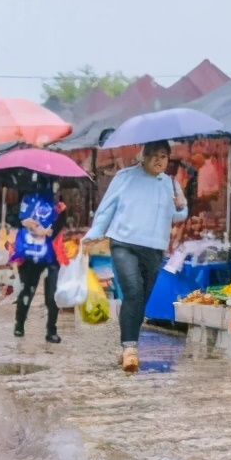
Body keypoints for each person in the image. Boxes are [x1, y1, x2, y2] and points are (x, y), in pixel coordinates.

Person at [84, 140, 187, 373]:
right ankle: (130, 348)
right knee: (133, 292)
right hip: (124, 243)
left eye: (164, 156)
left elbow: (179, 216)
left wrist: (181, 206)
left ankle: (128, 346)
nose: (159, 160)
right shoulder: (125, 176)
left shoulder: (170, 183)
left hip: (154, 248)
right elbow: (107, 207)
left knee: (141, 299)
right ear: (143, 156)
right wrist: (94, 233)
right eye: (154, 155)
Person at [11, 179, 66, 343]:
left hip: (52, 254)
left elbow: (59, 226)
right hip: (30, 252)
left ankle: (51, 330)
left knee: (52, 293)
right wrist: (27, 224)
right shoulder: (26, 196)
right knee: (27, 290)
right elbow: (15, 218)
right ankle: (19, 324)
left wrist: (49, 230)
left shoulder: (58, 203)